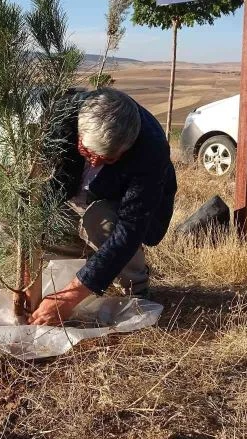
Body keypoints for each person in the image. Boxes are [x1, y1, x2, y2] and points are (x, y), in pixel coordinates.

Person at [29, 88, 178, 326]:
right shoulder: (64, 115)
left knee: (100, 220)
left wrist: (68, 297)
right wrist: (28, 276)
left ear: (127, 148)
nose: (95, 161)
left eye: (108, 159)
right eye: (87, 152)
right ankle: (98, 263)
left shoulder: (151, 150)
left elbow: (130, 228)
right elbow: (40, 190)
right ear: (79, 130)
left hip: (114, 209)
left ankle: (135, 285)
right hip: (76, 199)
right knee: (10, 217)